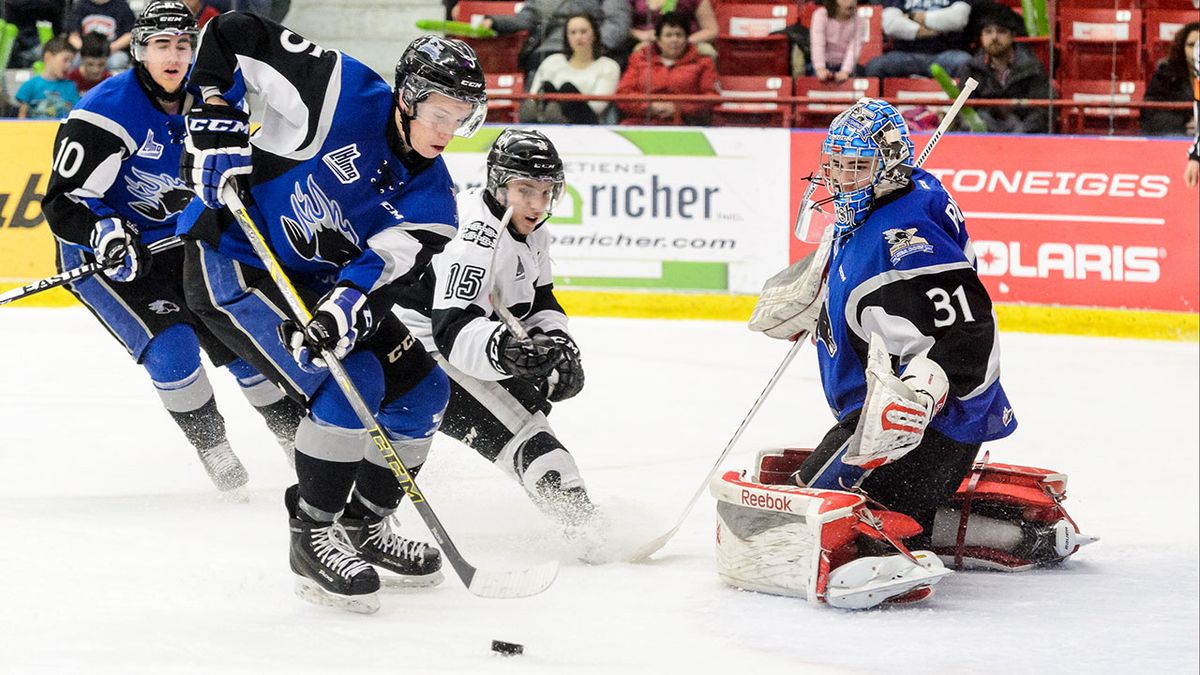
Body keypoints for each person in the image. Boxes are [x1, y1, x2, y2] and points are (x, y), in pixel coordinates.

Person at [176, 12, 488, 613]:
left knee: (422, 394)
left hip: (317, 285)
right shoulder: (339, 89)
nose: (448, 130)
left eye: (461, 117)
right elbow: (234, 33)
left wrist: (343, 310)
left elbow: (381, 272)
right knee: (357, 382)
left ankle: (363, 525)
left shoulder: (434, 202)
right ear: (409, 98)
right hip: (234, 260)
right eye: (440, 113)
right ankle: (311, 533)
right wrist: (214, 106)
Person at [741, 98, 1092, 605]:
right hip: (890, 416)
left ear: (888, 168)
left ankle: (923, 539)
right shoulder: (900, 194)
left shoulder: (905, 240)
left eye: (857, 167)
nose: (841, 179)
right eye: (836, 164)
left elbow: (970, 334)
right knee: (841, 502)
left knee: (793, 520)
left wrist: (923, 395)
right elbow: (885, 289)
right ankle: (994, 528)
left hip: (915, 429)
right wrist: (824, 304)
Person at [41, 1, 304, 499]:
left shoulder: (215, 97)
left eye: (184, 44)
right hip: (106, 253)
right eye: (161, 44)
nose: (174, 55)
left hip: (180, 242)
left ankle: (299, 443)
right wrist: (105, 233)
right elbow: (61, 202)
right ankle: (214, 447)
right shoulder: (104, 111)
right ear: (140, 50)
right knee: (174, 349)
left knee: (248, 346)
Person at [390, 129, 595, 530]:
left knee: (531, 426)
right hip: (418, 355)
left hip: (442, 347)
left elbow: (539, 302)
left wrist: (557, 344)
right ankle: (587, 531)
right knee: (529, 438)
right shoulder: (473, 239)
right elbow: (451, 332)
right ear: (499, 186)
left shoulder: (531, 230)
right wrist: (504, 351)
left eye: (546, 190)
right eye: (526, 190)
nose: (538, 204)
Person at [473, 0, 630, 77]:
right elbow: (527, 17)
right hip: (547, 50)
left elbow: (617, 22)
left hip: (590, 51)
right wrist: (495, 22)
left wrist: (594, 47)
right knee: (538, 66)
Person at [957, 8, 1052, 133]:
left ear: (1013, 36)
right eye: (988, 32)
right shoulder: (971, 68)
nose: (994, 37)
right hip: (982, 137)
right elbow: (964, 112)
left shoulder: (1033, 67)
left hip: (1023, 137)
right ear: (981, 36)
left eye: (1001, 32)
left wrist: (1020, 134)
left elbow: (1042, 111)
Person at [615, 12, 716, 125]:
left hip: (686, 125)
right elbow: (623, 94)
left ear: (687, 39)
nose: (674, 40)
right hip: (640, 122)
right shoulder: (639, 59)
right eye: (668, 35)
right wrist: (650, 106)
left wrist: (679, 108)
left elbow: (710, 98)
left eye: (679, 35)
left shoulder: (703, 62)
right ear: (658, 40)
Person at [526, 13, 621, 124]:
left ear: (594, 34)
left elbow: (597, 107)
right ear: (567, 37)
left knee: (567, 89)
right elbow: (533, 98)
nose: (578, 37)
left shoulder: (608, 66)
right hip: (545, 120)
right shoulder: (552, 61)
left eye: (583, 32)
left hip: (586, 124)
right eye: (573, 32)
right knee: (546, 87)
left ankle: (556, 118)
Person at [865, 0, 971, 79]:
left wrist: (911, 16)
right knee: (876, 66)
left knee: (967, 63)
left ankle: (963, 107)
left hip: (946, 55)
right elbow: (890, 24)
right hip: (905, 55)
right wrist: (936, 28)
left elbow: (958, 19)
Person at [1143, 22, 1199, 138]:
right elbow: (1151, 116)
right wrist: (1185, 124)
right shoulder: (1165, 76)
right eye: (1191, 45)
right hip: (1177, 141)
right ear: (1181, 48)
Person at [15, 36, 78, 119]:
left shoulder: (71, 87)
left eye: (71, 62)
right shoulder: (30, 85)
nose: (69, 65)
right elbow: (21, 117)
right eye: (65, 60)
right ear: (48, 57)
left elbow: (75, 113)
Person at [627, 0, 717, 55]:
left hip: (689, 41)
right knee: (640, 51)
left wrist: (682, 41)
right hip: (649, 42)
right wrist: (640, 34)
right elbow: (620, 25)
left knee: (707, 51)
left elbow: (711, 30)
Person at [67, 0, 136, 70]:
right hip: (86, 52)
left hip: (113, 51)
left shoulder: (122, 6)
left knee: (117, 62)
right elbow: (73, 36)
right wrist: (87, 49)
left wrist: (108, 49)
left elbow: (130, 34)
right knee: (74, 62)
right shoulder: (80, 5)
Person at [809, 0, 864, 82]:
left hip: (845, 66)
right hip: (823, 64)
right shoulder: (821, 15)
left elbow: (853, 49)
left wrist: (845, 71)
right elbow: (818, 45)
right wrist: (820, 69)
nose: (851, 2)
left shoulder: (859, 21)